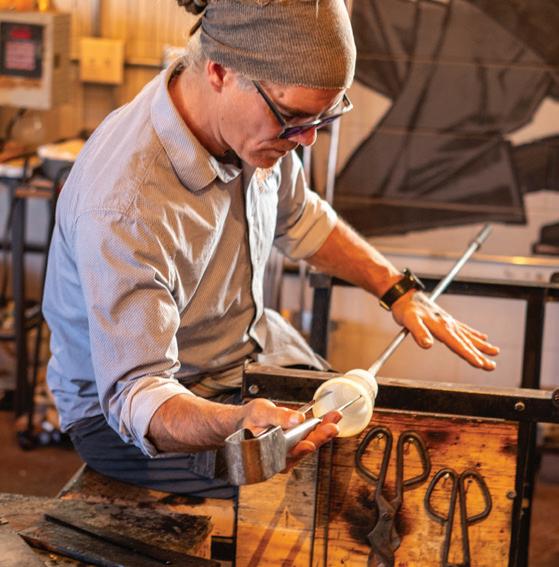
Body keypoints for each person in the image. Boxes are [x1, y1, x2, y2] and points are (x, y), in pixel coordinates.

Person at [43, 0, 499, 499]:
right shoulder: (128, 207)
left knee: (372, 452)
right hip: (134, 414)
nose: (305, 140)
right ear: (220, 71)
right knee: (328, 496)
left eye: (322, 119)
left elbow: (298, 216)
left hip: (244, 355)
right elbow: (139, 396)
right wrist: (237, 422)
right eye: (295, 117)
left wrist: (397, 289)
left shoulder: (252, 126)